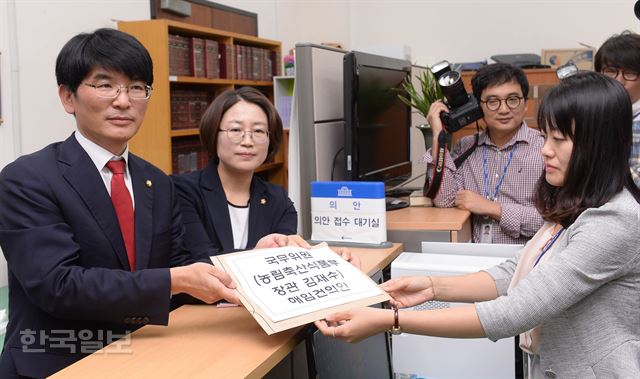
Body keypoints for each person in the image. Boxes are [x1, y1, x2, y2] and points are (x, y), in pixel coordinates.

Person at [0, 28, 301, 378]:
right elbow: (59, 286)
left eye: (136, 87)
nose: (123, 100)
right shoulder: (28, 178)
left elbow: (186, 267)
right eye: (104, 85)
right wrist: (175, 280)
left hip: (144, 352)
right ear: (68, 97)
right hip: (60, 359)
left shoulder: (156, 182)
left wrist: (253, 259)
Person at [316, 72, 640, 378]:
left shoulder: (614, 221)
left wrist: (390, 320)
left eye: (559, 139)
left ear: (599, 145)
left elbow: (514, 311)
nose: (546, 150)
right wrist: (432, 287)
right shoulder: (581, 202)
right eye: (546, 136)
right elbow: (517, 271)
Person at [424, 63, 544, 244]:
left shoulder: (545, 150)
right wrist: (437, 135)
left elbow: (553, 222)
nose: (504, 109)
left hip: (525, 261)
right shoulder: (466, 147)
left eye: (512, 99)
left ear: (525, 104)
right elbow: (444, 200)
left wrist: (492, 209)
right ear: (479, 107)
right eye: (493, 101)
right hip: (475, 258)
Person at [172, 87, 296, 257]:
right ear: (214, 133)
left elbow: (285, 260)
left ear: (270, 138)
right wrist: (256, 254)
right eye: (236, 130)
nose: (247, 141)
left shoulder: (279, 200)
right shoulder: (181, 191)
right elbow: (201, 260)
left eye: (258, 131)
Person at [595, 30, 640, 186]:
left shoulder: (636, 123)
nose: (619, 81)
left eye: (629, 73)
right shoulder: (596, 114)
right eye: (611, 71)